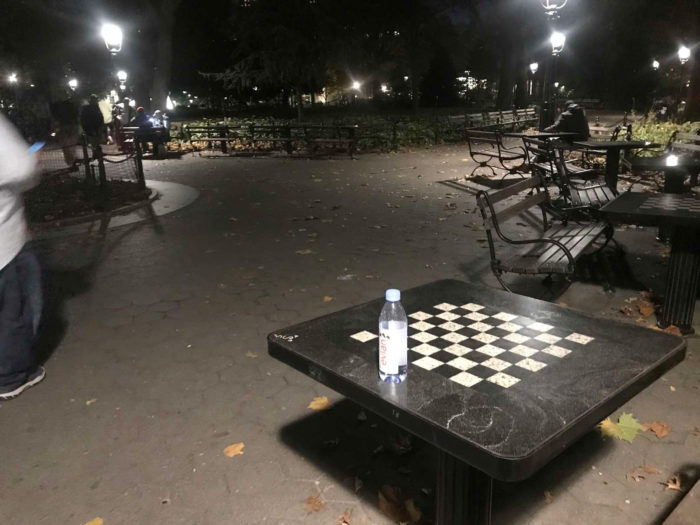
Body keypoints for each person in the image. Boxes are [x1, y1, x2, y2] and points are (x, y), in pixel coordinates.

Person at [0, 112, 46, 400]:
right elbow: (21, 167)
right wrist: (33, 158)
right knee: (14, 308)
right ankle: (12, 376)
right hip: (5, 241)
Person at [50, 98, 80, 168]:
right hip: (71, 125)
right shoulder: (71, 105)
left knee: (66, 146)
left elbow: (54, 117)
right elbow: (76, 115)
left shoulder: (57, 107)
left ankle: (70, 161)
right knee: (71, 145)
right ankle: (73, 160)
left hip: (63, 126)